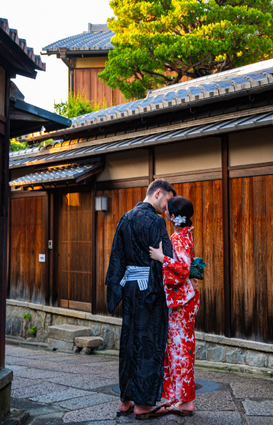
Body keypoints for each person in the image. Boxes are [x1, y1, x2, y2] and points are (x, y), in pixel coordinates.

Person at [104, 179, 175, 420]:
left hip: (130, 288)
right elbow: (167, 258)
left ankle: (125, 400)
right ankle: (143, 405)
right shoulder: (156, 221)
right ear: (157, 193)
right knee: (148, 343)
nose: (167, 208)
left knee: (129, 342)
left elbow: (117, 255)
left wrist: (116, 289)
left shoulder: (125, 218)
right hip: (150, 291)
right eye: (166, 201)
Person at [148, 196, 200, 417]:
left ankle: (185, 401)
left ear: (171, 216)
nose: (165, 212)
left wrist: (161, 258)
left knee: (180, 350)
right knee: (181, 348)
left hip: (182, 302)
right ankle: (180, 397)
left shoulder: (178, 238)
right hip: (187, 299)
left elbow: (182, 268)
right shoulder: (184, 235)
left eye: (167, 210)